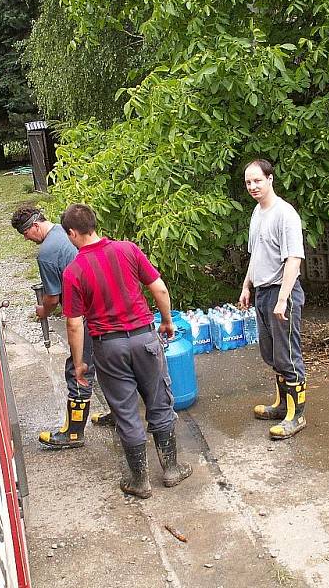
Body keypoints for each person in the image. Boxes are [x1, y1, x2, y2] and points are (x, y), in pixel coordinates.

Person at [60, 203, 191, 499]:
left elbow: (74, 325)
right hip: (145, 339)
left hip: (109, 347)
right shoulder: (128, 250)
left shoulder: (74, 271)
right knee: (159, 400)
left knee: (126, 410)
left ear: (72, 233)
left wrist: (80, 363)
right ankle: (171, 470)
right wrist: (167, 321)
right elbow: (159, 288)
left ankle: (140, 481)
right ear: (94, 224)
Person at [10, 206, 112, 449]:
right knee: (108, 362)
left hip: (85, 313)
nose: (27, 240)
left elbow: (52, 298)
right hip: (105, 305)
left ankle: (74, 433)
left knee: (78, 368)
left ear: (35, 227)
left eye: (26, 235)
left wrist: (43, 311)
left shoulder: (46, 253)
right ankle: (119, 414)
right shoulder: (64, 233)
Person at [239, 159, 307, 439]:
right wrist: (246, 286)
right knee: (272, 355)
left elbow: (294, 259)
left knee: (289, 356)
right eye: (248, 182)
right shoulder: (257, 213)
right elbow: (256, 254)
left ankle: (296, 416)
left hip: (282, 293)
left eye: (257, 180)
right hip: (263, 292)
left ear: (270, 179)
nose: (253, 186)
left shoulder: (285, 214)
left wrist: (283, 299)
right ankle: (281, 406)